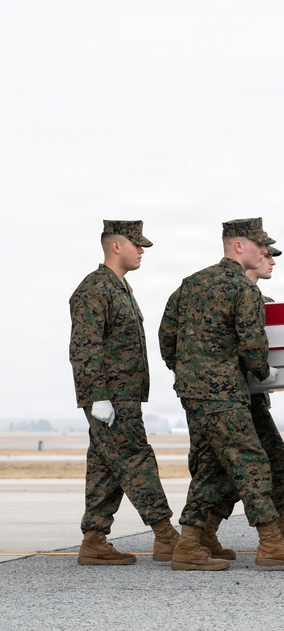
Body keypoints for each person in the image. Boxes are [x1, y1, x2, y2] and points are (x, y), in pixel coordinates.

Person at [159, 218, 284, 571]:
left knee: (212, 466)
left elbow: (166, 336)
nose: (265, 251)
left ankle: (194, 540)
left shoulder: (191, 283)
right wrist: (262, 372)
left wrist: (188, 371)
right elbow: (252, 343)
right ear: (237, 246)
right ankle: (270, 542)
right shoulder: (242, 290)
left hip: (194, 391)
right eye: (260, 245)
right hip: (224, 392)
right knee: (250, 461)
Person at [197, 245, 284, 560]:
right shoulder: (217, 295)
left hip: (250, 399)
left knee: (274, 458)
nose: (272, 261)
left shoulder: (263, 303)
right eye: (267, 255)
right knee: (228, 467)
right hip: (221, 397)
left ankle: (278, 532)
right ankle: (203, 536)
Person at [69, 220, 180, 565]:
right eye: (136, 244)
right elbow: (84, 348)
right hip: (111, 397)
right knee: (136, 459)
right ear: (116, 246)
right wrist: (97, 395)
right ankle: (166, 535)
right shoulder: (94, 289)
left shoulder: (119, 288)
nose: (141, 251)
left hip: (122, 395)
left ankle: (94, 539)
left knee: (105, 465)